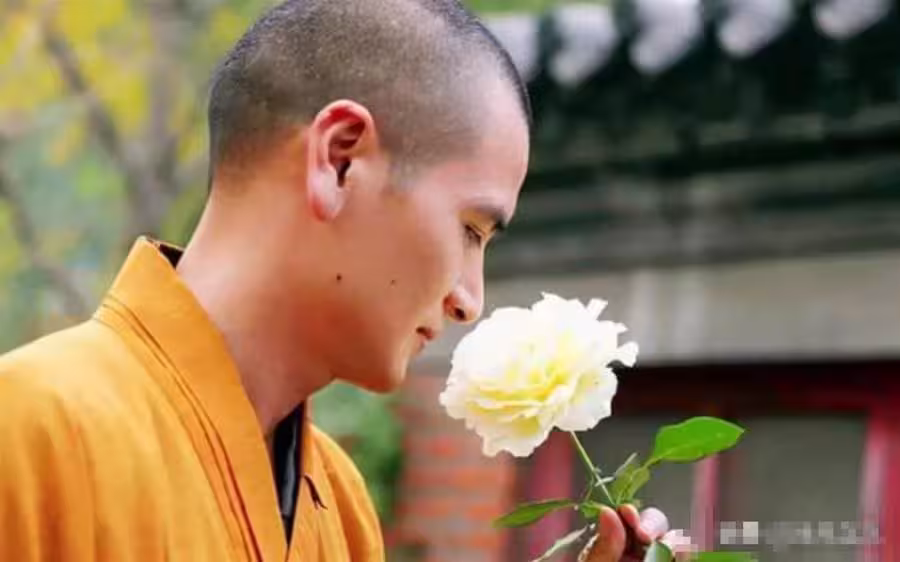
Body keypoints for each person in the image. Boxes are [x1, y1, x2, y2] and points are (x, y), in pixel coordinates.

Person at [0, 1, 685, 560]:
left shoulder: (340, 505)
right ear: (339, 159)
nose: (468, 300)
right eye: (470, 230)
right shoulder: (28, 429)